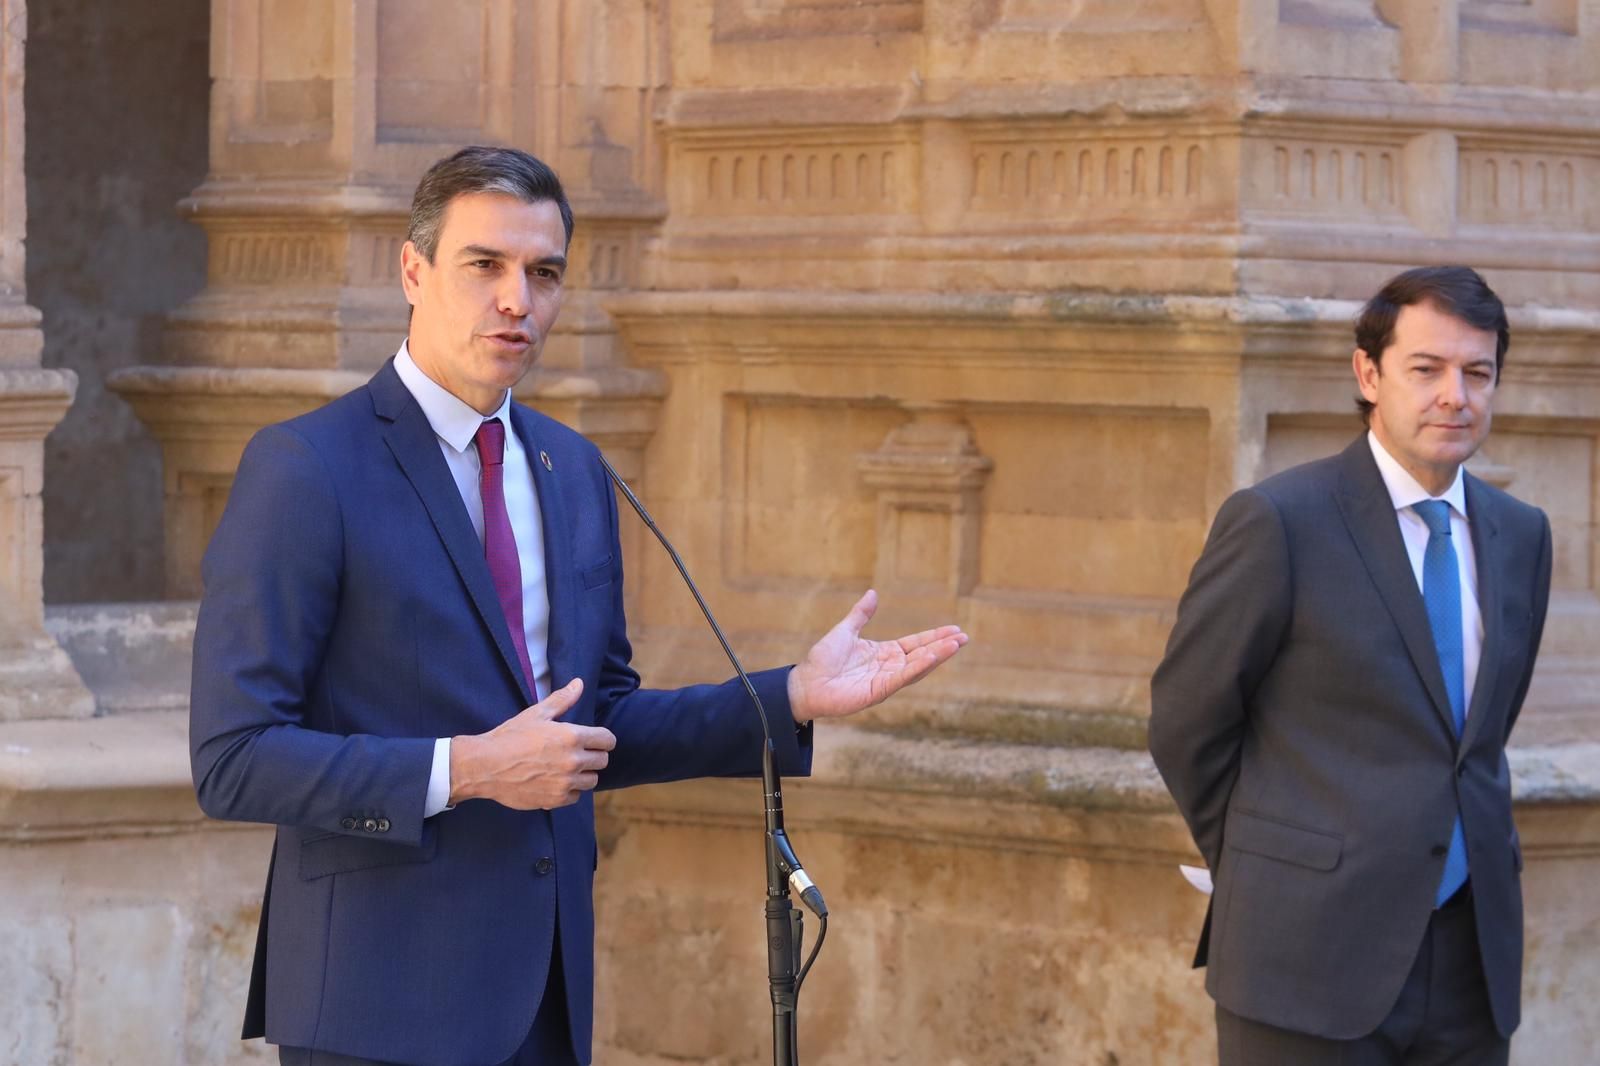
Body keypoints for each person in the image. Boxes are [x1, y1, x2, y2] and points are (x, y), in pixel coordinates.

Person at [189, 145, 968, 1066]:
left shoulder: (574, 470)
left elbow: (596, 726)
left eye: (544, 273)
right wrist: (468, 769)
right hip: (377, 1004)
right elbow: (234, 759)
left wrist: (788, 695)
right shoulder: (308, 468)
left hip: (546, 1001)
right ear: (413, 269)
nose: (518, 299)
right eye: (486, 265)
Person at [1149, 265, 1552, 1065]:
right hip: (1304, 956)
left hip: (1471, 965)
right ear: (1368, 374)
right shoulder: (1279, 522)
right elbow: (1188, 721)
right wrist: (1278, 864)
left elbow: (1477, 735)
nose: (1455, 395)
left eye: (1478, 373)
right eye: (1426, 369)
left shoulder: (1522, 534)